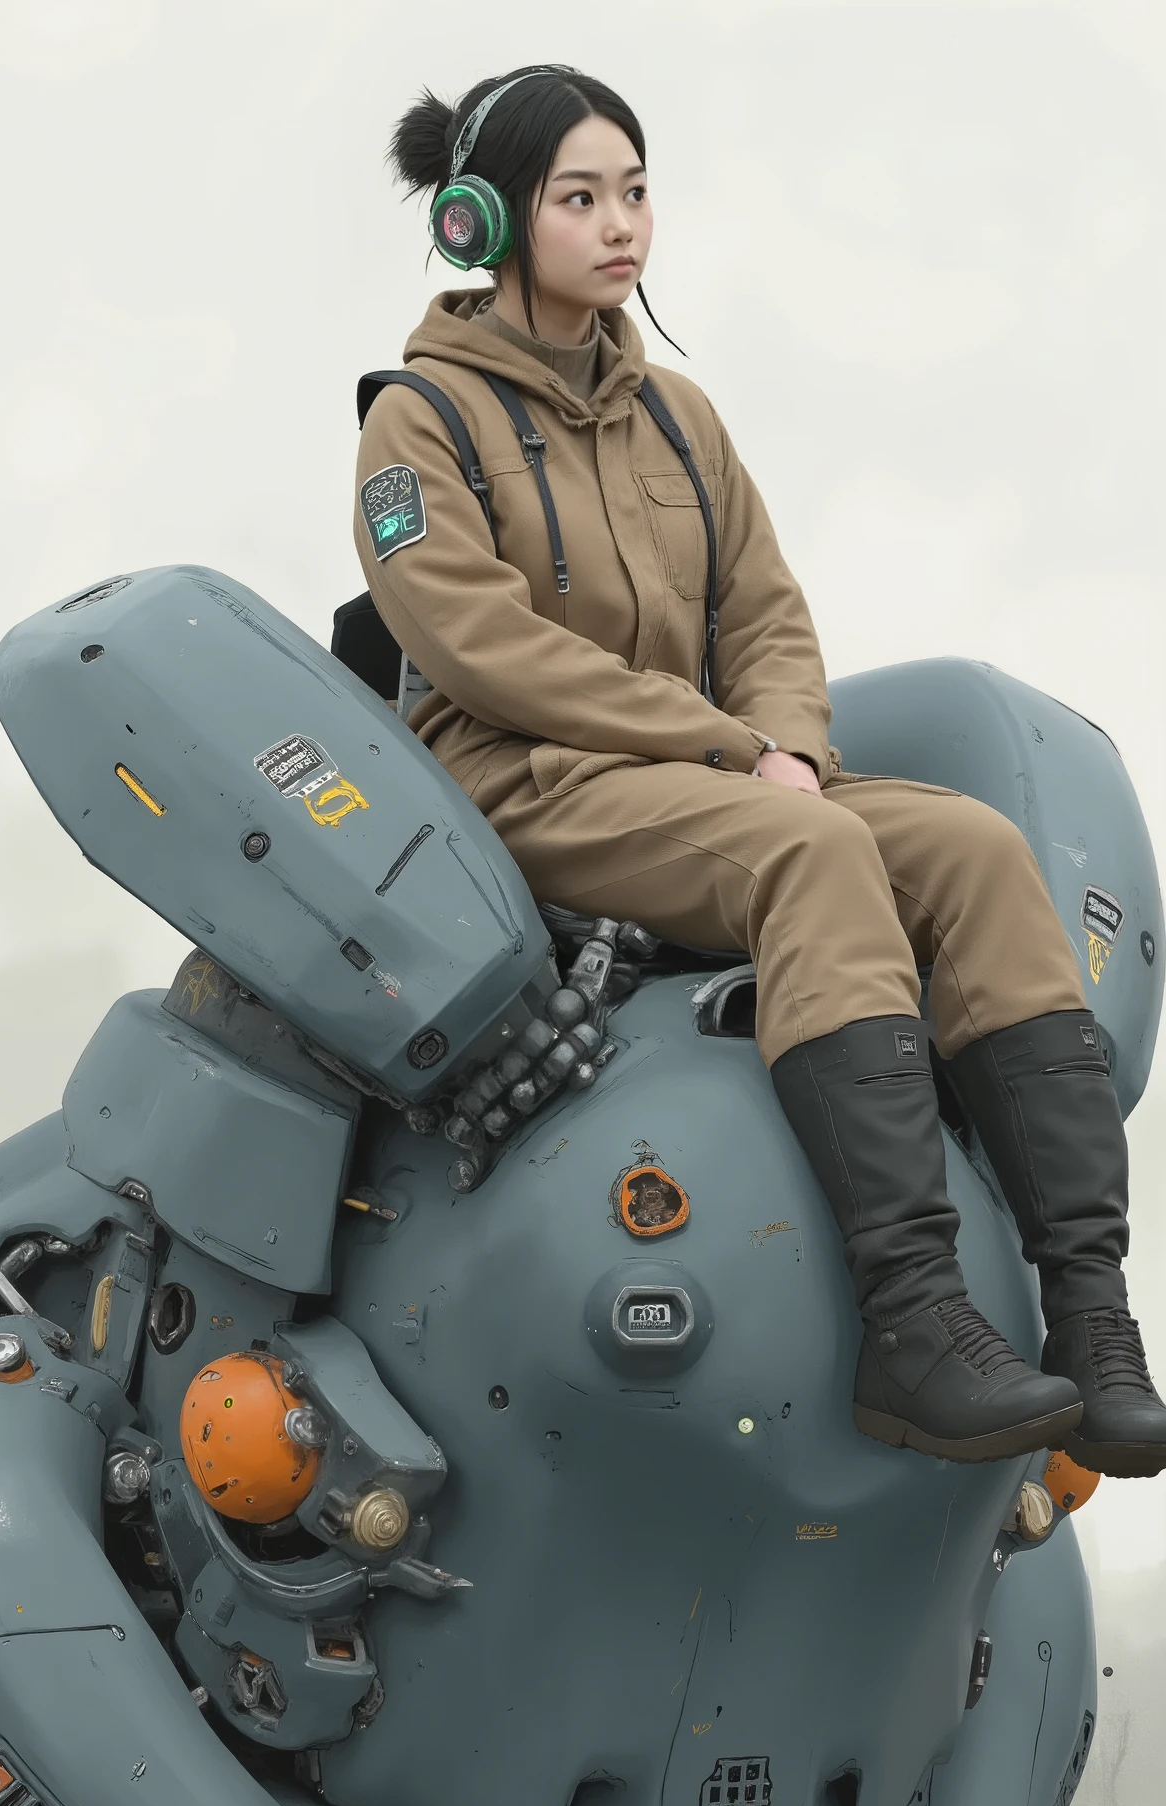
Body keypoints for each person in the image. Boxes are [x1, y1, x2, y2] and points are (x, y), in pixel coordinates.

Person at [354, 62, 1166, 1479]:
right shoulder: (418, 421)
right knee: (816, 853)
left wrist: (788, 740)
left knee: (969, 850)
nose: (623, 226)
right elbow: (480, 652)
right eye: (581, 197)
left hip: (710, 779)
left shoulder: (680, 419)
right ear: (482, 220)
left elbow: (770, 617)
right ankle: (915, 1320)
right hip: (526, 787)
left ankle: (1091, 1323)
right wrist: (734, 752)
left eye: (638, 190)